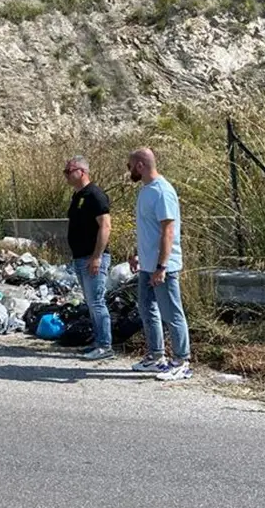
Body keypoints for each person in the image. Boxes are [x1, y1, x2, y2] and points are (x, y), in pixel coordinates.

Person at [127, 147, 192, 381]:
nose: (129, 170)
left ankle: (182, 361)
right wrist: (138, 255)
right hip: (147, 265)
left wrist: (162, 266)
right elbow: (149, 229)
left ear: (140, 165)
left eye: (130, 166)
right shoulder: (146, 190)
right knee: (147, 309)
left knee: (171, 312)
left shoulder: (163, 192)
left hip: (163, 267)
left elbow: (168, 231)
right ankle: (156, 357)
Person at [64, 155, 113, 361]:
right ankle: (98, 341)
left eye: (69, 171)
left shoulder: (95, 195)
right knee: (91, 303)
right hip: (80, 257)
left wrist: (97, 256)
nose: (66, 175)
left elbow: (105, 226)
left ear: (82, 172)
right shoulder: (78, 196)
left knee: (97, 302)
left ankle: (105, 346)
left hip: (92, 258)